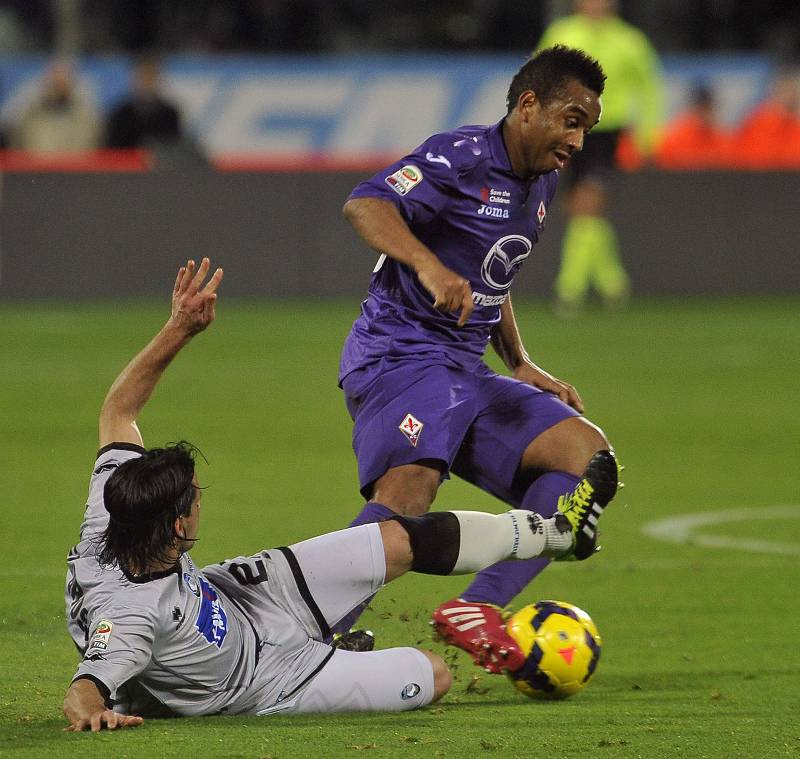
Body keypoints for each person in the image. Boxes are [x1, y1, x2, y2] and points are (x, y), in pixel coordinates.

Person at [62, 257, 614, 731]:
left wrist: (179, 328)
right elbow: (86, 687)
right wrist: (95, 712)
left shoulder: (110, 509)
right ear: (178, 526)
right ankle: (329, 651)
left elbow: (120, 411)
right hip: (265, 678)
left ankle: (551, 532)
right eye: (193, 497)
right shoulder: (131, 614)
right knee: (432, 674)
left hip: (242, 595)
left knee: (395, 539)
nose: (200, 496)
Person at [337, 45, 620, 675]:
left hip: (465, 367)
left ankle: (478, 607)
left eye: (587, 128)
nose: (577, 139)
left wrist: (520, 360)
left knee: (586, 462)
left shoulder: (542, 183)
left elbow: (497, 276)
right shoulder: (457, 158)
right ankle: (311, 632)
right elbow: (366, 204)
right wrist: (428, 264)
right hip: (399, 353)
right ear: (527, 106)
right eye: (571, 120)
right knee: (409, 490)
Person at [536, 0, 664, 313]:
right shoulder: (562, 33)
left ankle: (570, 288)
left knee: (588, 201)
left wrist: (649, 135)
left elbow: (649, 87)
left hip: (606, 132)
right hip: (566, 128)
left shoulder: (629, 41)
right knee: (581, 210)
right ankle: (613, 282)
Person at [10, 58, 100, 153]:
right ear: (46, 82)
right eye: (55, 81)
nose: (59, 85)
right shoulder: (29, 117)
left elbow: (90, 149)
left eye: (64, 80)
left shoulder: (87, 119)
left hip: (76, 166)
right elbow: (17, 147)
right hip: (36, 166)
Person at [104, 57, 181, 149]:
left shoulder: (170, 114)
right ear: (134, 79)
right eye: (143, 77)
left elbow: (174, 147)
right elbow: (112, 149)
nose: (147, 82)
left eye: (151, 77)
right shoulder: (121, 114)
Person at [655, 84, 732, 170]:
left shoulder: (722, 139)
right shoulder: (673, 138)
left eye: (707, 108)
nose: (704, 114)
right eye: (700, 108)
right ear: (692, 108)